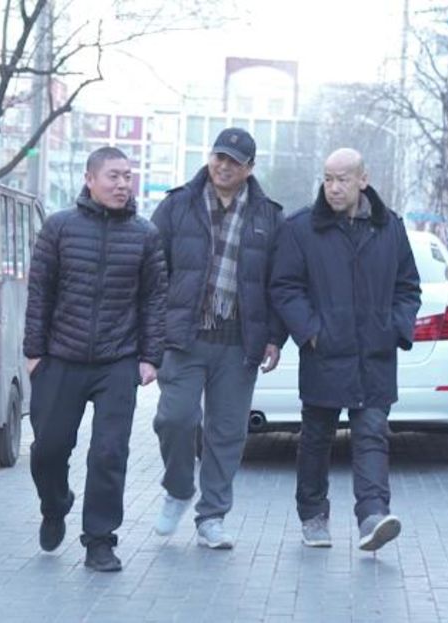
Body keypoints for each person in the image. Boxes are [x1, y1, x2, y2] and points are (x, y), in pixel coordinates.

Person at [23, 147, 168, 572]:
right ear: (90, 179)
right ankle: (55, 504)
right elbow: (40, 294)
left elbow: (154, 299)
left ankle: (100, 541)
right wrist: (34, 353)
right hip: (60, 358)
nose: (123, 184)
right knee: (48, 450)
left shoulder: (145, 234)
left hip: (117, 360)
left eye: (128, 176)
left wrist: (149, 357)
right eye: (113, 176)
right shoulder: (59, 228)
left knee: (109, 453)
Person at [270, 148, 422, 551]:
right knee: (317, 436)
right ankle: (314, 514)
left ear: (362, 180)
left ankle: (372, 515)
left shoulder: (389, 228)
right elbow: (285, 287)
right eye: (328, 178)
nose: (333, 187)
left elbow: (408, 286)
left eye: (342, 179)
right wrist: (311, 331)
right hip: (325, 352)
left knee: (372, 433)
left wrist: (394, 328)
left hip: (374, 353)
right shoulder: (302, 227)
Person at [149, 128, 287, 549]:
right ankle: (177, 488)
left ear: (249, 168)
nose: (224, 166)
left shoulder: (269, 216)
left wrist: (275, 337)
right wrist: (152, 334)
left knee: (226, 432)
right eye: (219, 157)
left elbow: (279, 282)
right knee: (175, 418)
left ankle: (212, 516)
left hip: (238, 340)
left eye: (234, 161)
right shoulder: (177, 205)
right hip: (186, 336)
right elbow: (153, 273)